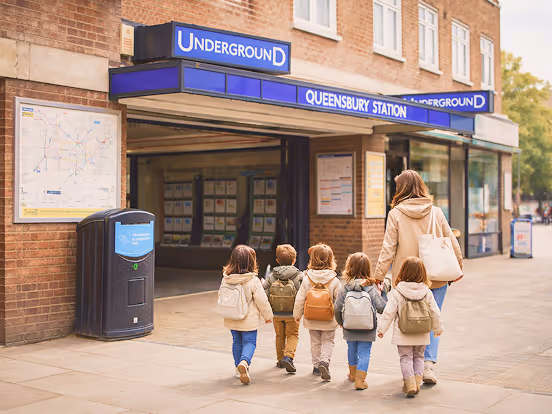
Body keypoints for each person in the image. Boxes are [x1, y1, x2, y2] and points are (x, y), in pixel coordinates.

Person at [374, 170, 463, 385]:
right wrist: (458, 266)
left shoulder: (395, 214)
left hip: (405, 280)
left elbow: (388, 248)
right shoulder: (436, 212)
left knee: (408, 320)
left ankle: (411, 368)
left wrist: (378, 275)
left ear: (401, 189)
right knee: (432, 318)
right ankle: (428, 366)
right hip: (436, 276)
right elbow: (451, 241)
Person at [377, 257, 443, 397]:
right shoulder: (427, 292)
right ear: (423, 273)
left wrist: (382, 329)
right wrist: (437, 329)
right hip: (422, 333)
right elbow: (435, 312)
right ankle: (417, 382)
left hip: (403, 333)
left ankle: (410, 384)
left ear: (403, 272)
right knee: (419, 357)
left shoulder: (398, 292)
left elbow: (389, 312)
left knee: (406, 358)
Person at [219, 245, 273, 384]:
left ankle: (238, 369)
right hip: (248, 319)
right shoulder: (253, 280)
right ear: (251, 262)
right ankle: (244, 362)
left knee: (236, 342)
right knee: (249, 342)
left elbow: (221, 295)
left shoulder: (226, 278)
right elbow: (262, 301)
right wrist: (268, 316)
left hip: (232, 316)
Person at [334, 252, 387, 390]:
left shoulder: (345, 288)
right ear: (368, 269)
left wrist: (340, 322)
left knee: (352, 348)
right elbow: (382, 308)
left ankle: (352, 374)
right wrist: (385, 293)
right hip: (367, 327)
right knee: (364, 352)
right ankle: (360, 380)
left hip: (349, 325)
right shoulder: (371, 289)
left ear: (349, 268)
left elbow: (337, 308)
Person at [293, 243, 341, 381]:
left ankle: (315, 366)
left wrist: (297, 315)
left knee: (315, 342)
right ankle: (324, 361)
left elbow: (300, 298)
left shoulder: (307, 278)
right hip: (329, 318)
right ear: (331, 260)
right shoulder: (334, 280)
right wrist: (341, 319)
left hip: (311, 317)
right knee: (328, 341)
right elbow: (339, 302)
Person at [262, 244, 304, 373]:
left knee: (279, 336)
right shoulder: (299, 276)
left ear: (277, 260)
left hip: (276, 312)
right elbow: (302, 294)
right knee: (292, 335)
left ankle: (280, 360)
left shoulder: (272, 276)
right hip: (292, 313)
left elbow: (264, 292)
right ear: (294, 261)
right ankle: (289, 356)